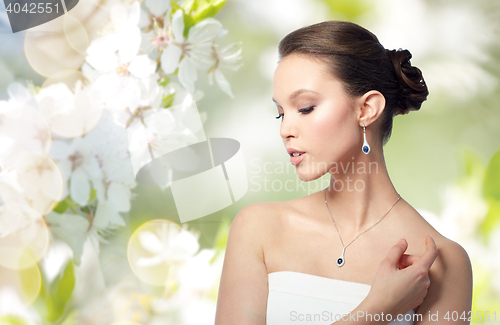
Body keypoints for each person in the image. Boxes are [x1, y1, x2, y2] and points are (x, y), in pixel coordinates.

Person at [214, 21, 473, 325]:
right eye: (281, 113)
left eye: (306, 107)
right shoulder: (258, 229)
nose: (285, 130)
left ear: (366, 109)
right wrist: (377, 310)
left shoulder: (440, 263)